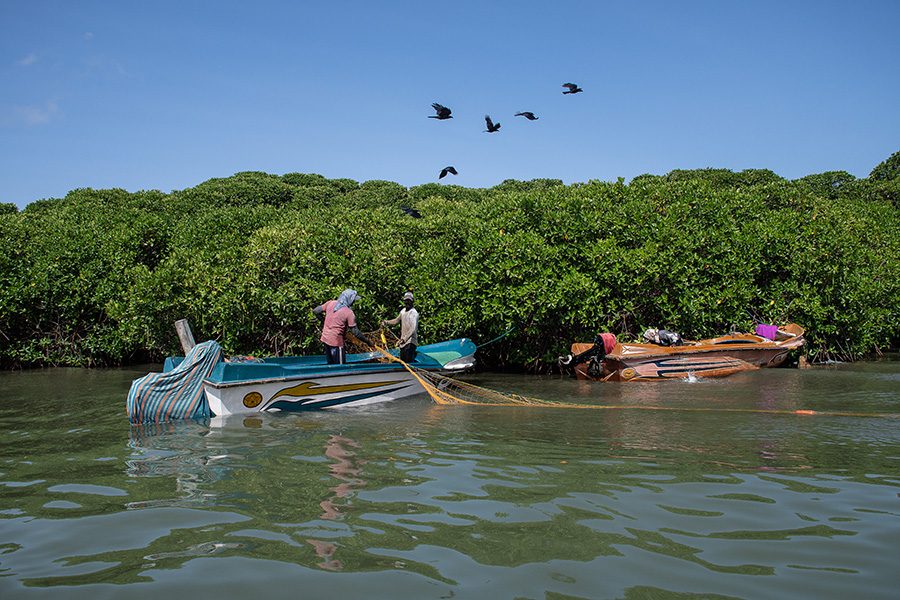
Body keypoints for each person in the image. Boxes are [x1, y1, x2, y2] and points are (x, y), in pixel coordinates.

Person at [312, 289, 371, 364]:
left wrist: (323, 320)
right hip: (336, 343)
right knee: (340, 367)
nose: (353, 302)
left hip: (325, 338)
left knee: (331, 365)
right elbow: (356, 333)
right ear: (349, 299)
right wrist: (368, 341)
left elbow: (315, 311)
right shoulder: (349, 313)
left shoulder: (330, 303)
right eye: (353, 300)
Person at [381, 291, 419, 362]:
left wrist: (404, 339)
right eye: (406, 301)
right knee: (403, 363)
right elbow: (396, 321)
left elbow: (413, 329)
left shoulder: (414, 313)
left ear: (412, 301)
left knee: (408, 363)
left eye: (409, 301)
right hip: (403, 343)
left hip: (410, 342)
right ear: (404, 301)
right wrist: (386, 322)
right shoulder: (403, 311)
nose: (407, 302)